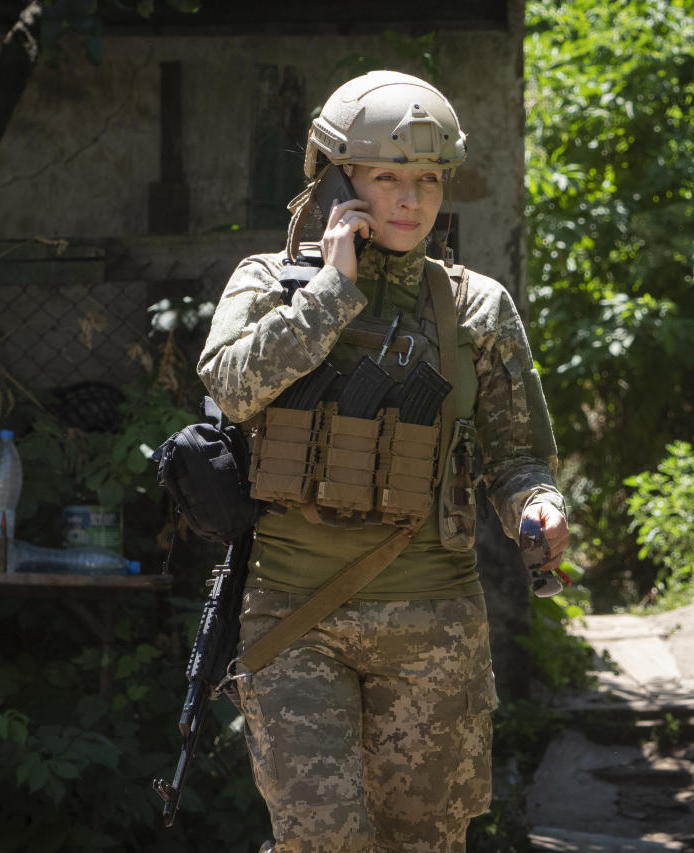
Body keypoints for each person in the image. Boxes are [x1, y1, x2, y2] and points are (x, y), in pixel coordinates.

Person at [197, 70, 569, 853]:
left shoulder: (477, 307)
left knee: (425, 842)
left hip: (434, 621)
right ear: (339, 181)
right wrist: (333, 291)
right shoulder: (270, 285)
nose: (411, 198)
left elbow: (516, 456)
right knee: (323, 837)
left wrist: (537, 506)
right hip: (296, 618)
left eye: (428, 179)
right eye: (387, 176)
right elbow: (232, 388)